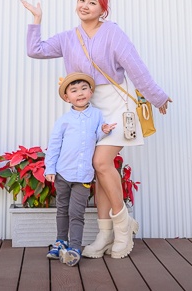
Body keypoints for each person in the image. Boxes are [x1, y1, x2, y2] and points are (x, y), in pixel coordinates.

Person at [23, 0, 172, 259]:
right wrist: (37, 20)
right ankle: (105, 235)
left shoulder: (113, 33)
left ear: (103, 9)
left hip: (116, 105)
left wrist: (158, 97)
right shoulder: (68, 37)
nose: (85, 5)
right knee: (100, 173)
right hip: (88, 110)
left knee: (101, 162)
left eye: (92, 2)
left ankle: (123, 227)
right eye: (82, 0)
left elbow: (135, 67)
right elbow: (36, 50)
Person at [44, 72, 116, 266]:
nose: (80, 93)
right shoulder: (64, 121)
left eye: (84, 88)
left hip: (83, 175)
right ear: (67, 97)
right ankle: (60, 242)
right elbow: (54, 145)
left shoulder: (97, 115)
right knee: (62, 209)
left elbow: (99, 136)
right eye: (74, 90)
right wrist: (50, 168)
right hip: (63, 173)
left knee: (77, 212)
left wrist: (105, 130)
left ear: (91, 92)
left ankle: (74, 247)